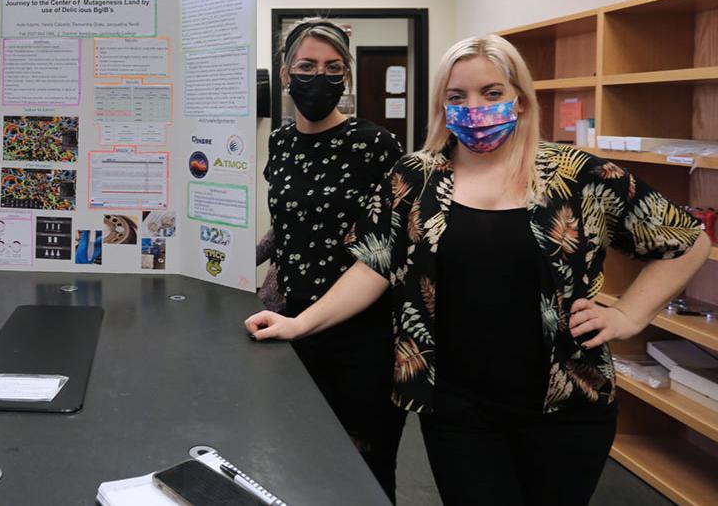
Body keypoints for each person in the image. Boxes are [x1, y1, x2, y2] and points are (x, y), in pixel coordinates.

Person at [246, 35, 712, 506]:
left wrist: (630, 315)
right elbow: (373, 267)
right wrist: (298, 322)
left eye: (491, 93)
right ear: (442, 106)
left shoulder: (576, 175)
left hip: (567, 403)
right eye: (457, 97)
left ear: (520, 100)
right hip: (456, 407)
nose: (475, 107)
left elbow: (689, 242)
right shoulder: (415, 178)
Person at [263, 19, 405, 501]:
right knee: (295, 458)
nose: (318, 78)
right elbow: (287, 223)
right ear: (285, 74)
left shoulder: (376, 145)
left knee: (363, 468)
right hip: (293, 327)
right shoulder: (280, 142)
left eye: (332, 68)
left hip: (363, 336)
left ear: (345, 76)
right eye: (306, 66)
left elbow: (388, 244)